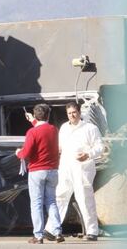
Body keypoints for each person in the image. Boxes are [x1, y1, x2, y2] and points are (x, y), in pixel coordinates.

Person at [45, 102, 104, 241]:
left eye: (74, 112)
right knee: (60, 196)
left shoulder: (90, 128)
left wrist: (88, 154)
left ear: (79, 112)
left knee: (84, 198)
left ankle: (92, 231)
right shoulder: (64, 127)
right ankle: (52, 229)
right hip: (65, 167)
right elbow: (60, 146)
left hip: (82, 168)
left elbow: (100, 147)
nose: (72, 115)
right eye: (69, 113)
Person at [16, 104, 64, 244]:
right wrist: (33, 120)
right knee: (51, 201)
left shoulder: (32, 132)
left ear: (36, 115)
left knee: (36, 203)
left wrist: (18, 152)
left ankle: (38, 235)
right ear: (48, 115)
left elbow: (26, 153)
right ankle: (57, 231)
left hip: (37, 171)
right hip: (53, 170)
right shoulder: (54, 130)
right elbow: (43, 129)